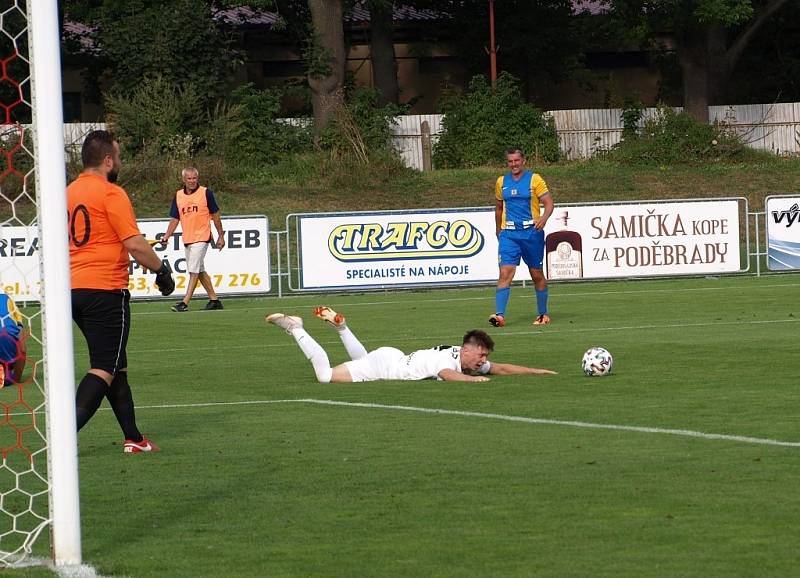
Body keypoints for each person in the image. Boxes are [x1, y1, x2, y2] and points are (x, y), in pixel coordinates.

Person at [67, 129, 175, 453]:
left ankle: (134, 438)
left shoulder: (68, 192)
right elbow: (134, 244)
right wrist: (161, 271)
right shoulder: (111, 192)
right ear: (108, 159)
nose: (120, 162)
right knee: (104, 366)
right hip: (104, 289)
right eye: (119, 156)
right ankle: (60, 438)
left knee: (116, 365)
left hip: (72, 288)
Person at [266, 306, 557, 383]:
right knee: (325, 376)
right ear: (466, 349)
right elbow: (449, 376)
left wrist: (535, 371)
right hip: (386, 366)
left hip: (390, 356)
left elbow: (502, 369)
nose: (482, 362)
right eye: (480, 356)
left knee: (363, 361)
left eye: (483, 358)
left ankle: (342, 327)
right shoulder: (450, 363)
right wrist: (476, 382)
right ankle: (296, 328)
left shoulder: (462, 357)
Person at [490, 147, 554, 328]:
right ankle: (499, 316)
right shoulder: (501, 181)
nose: (513, 164)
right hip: (509, 235)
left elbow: (549, 203)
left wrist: (543, 218)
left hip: (531, 233)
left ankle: (543, 314)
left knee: (536, 274)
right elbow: (499, 208)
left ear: (523, 161)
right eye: (510, 161)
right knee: (505, 273)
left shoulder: (535, 179)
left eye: (516, 161)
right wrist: (498, 229)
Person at [160, 167, 225, 312]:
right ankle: (214, 300)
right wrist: (166, 236)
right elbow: (175, 219)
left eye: (194, 178)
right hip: (188, 238)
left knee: (193, 271)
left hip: (202, 237)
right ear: (183, 179)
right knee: (200, 270)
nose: (192, 181)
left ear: (198, 178)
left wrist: (221, 235)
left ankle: (184, 302)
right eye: (189, 178)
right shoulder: (178, 196)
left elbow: (215, 215)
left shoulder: (205, 193)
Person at [0, 293, 27, 389]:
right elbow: (22, 350)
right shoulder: (6, 298)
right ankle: (10, 377)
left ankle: (6, 374)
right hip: (8, 338)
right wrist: (17, 379)